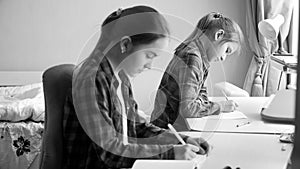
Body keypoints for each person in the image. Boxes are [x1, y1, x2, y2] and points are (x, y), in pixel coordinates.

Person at [63, 5, 210, 169]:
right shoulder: (92, 79)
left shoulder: (121, 77)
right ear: (125, 44)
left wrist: (180, 140)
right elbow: (108, 152)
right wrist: (171, 153)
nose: (150, 66)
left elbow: (138, 127)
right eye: (149, 55)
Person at [150, 12, 244, 131]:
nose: (223, 58)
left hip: (173, 126)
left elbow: (201, 94)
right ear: (219, 35)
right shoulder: (191, 58)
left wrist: (201, 103)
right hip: (167, 131)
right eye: (227, 50)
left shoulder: (201, 58)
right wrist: (220, 106)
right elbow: (189, 109)